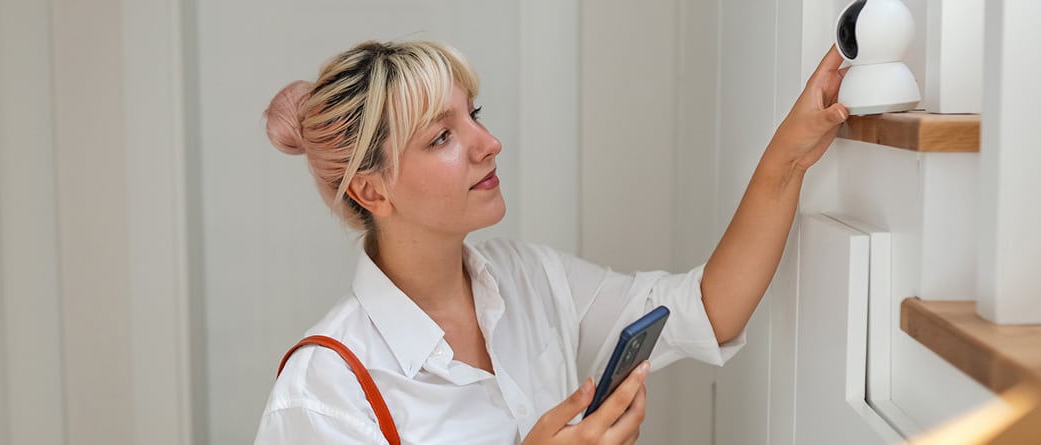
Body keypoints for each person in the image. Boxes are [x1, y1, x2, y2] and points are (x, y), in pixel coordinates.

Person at [255, 40, 848, 445]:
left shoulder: (531, 279)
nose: (488, 142)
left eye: (474, 114)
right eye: (442, 136)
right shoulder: (322, 392)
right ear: (371, 190)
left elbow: (708, 309)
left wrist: (787, 159)